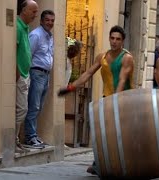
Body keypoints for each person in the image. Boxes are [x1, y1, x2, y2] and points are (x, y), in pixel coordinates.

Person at [58, 25, 134, 176]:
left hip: (124, 99)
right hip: (108, 99)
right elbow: (88, 73)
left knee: (118, 135)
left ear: (123, 41)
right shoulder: (102, 57)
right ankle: (99, 163)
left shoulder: (127, 58)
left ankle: (113, 164)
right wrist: (71, 87)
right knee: (103, 133)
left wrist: (115, 101)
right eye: (112, 38)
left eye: (118, 39)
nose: (114, 42)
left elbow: (122, 80)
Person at [23, 10, 55, 149]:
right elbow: (28, 54)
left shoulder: (49, 36)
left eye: (52, 20)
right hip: (36, 73)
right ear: (41, 21)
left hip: (45, 75)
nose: (50, 23)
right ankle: (30, 137)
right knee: (34, 106)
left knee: (38, 106)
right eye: (47, 20)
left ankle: (33, 135)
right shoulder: (36, 35)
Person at [15, 0, 38, 153]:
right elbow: (14, 50)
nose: (35, 15)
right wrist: (17, 73)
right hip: (20, 75)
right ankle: (13, 140)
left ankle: (15, 140)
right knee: (22, 109)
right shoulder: (17, 26)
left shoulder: (25, 27)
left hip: (25, 73)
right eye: (33, 11)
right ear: (24, 10)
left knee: (22, 109)